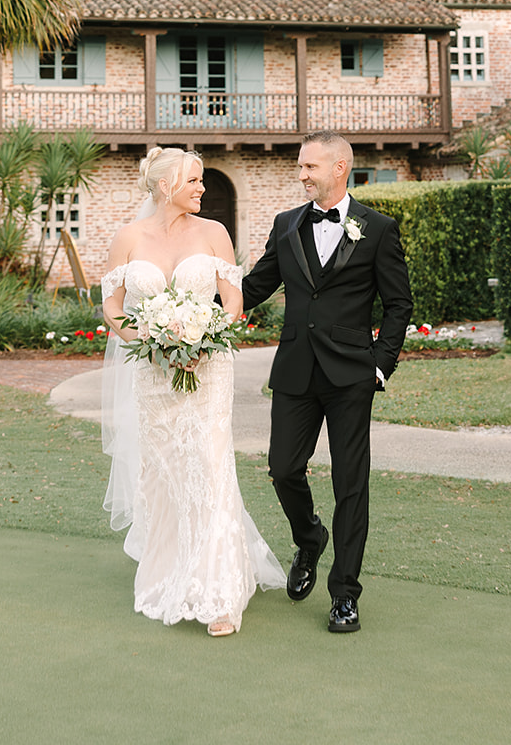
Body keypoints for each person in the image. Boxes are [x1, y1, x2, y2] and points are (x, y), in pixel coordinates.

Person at [100, 146, 285, 635]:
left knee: (208, 463)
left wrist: (202, 338)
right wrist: (150, 340)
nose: (203, 189)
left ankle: (219, 593)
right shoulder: (128, 237)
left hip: (209, 370)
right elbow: (113, 308)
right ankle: (167, 574)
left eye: (202, 181)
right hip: (154, 375)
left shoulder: (214, 233)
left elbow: (234, 302)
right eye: (195, 181)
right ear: (165, 186)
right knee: (163, 471)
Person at [241, 130, 413, 634]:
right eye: (300, 166)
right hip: (295, 369)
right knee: (282, 468)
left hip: (350, 376)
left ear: (340, 168)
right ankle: (308, 537)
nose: (302, 175)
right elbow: (255, 286)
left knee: (350, 485)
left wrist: (380, 365)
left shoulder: (378, 229)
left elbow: (398, 304)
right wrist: (191, 313)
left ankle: (345, 595)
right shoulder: (286, 224)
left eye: (309, 167)